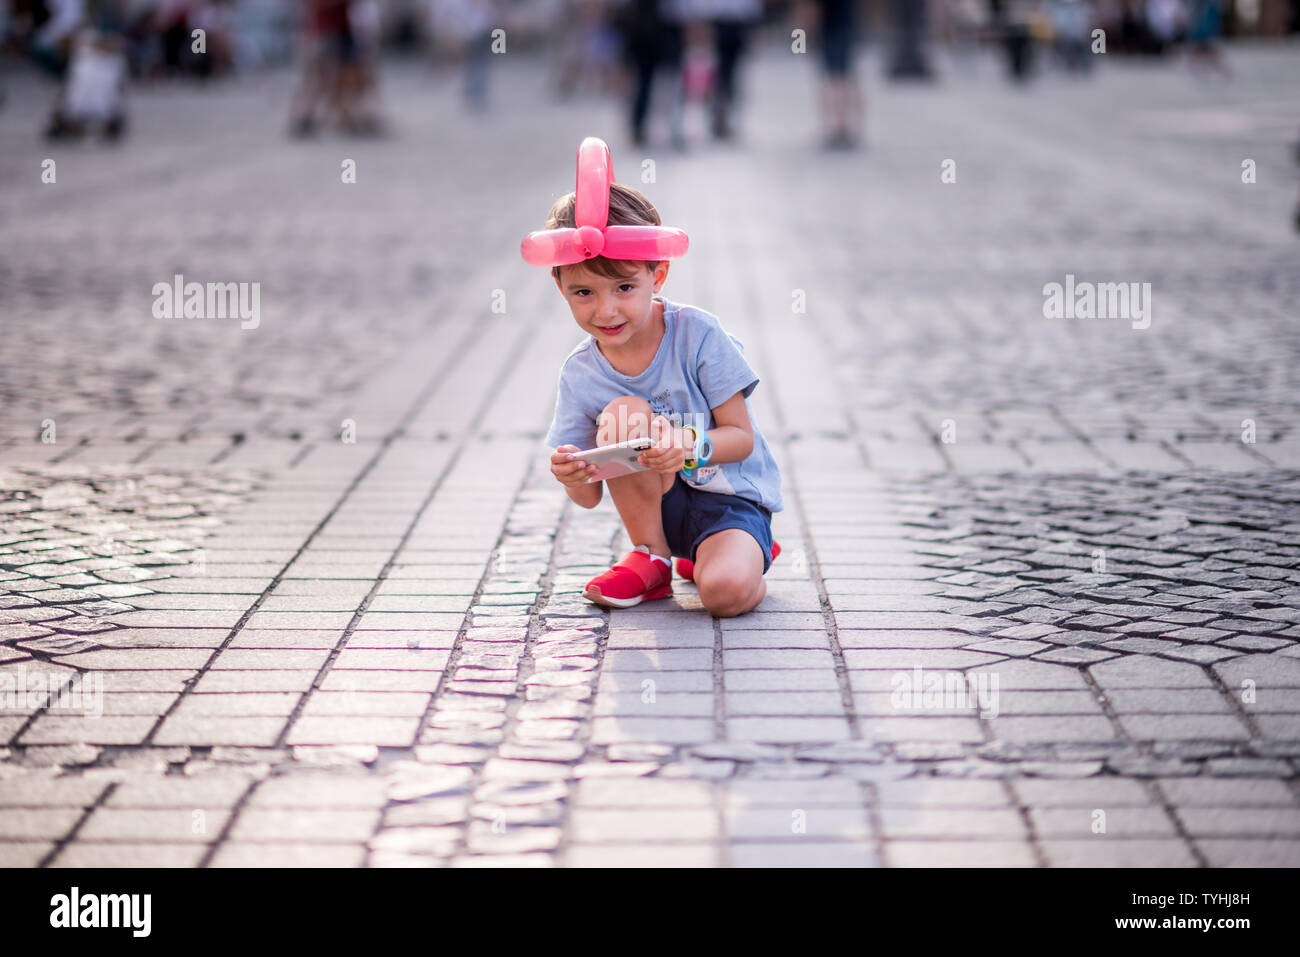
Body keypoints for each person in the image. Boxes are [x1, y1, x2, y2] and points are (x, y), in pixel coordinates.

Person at [529, 139, 784, 616]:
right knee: (625, 412)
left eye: (625, 287)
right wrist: (569, 473)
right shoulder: (581, 373)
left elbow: (741, 438)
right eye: (583, 291)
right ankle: (652, 558)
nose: (606, 310)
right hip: (658, 512)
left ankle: (742, 551)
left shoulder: (699, 334)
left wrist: (685, 444)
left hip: (729, 502)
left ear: (658, 274)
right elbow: (586, 497)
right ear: (559, 286)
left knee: (723, 594)